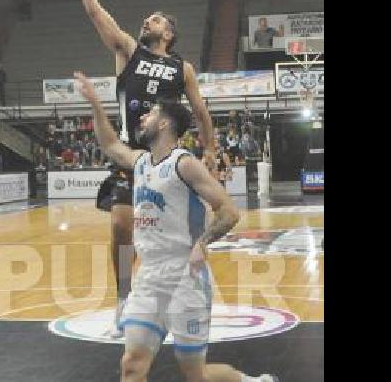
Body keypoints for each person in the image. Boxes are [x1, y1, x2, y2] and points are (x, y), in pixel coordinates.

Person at [72, 72, 277, 382]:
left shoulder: (184, 164)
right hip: (150, 275)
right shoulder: (141, 161)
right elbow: (111, 143)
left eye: (151, 113)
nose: (143, 118)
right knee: (131, 365)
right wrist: (94, 104)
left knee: (196, 377)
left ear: (165, 124)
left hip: (185, 276)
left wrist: (202, 242)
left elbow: (229, 211)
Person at [66, 0, 216, 337]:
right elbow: (94, 10)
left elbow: (200, 111)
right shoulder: (128, 52)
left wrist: (212, 146)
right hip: (130, 153)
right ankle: (122, 298)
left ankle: (177, 294)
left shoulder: (181, 69)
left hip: (168, 158)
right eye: (148, 17)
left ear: (169, 33)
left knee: (170, 235)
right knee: (121, 225)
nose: (148, 19)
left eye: (157, 18)